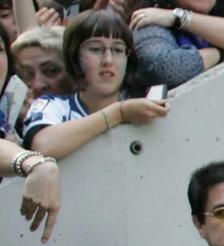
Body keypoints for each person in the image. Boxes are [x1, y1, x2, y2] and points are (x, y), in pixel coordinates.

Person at [23, 10, 168, 159]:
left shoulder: (141, 107)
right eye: (95, 49)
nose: (108, 60)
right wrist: (119, 113)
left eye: (117, 50)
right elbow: (43, 147)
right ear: (74, 57)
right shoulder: (51, 105)